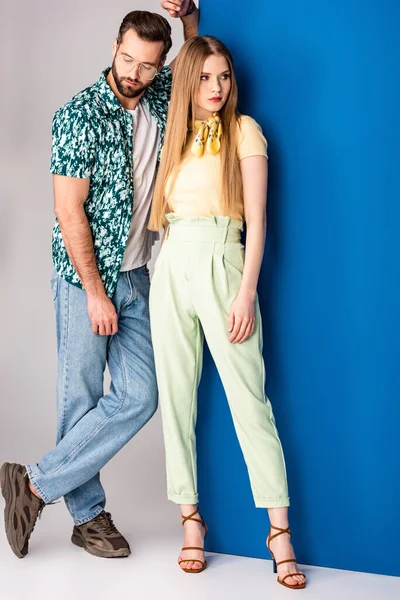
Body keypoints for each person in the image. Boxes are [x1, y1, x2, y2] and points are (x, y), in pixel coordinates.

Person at [0, 2, 199, 560]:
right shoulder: (78, 114)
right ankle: (88, 518)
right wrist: (93, 292)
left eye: (147, 65)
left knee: (142, 394)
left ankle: (34, 482)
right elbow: (69, 211)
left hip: (137, 274)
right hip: (84, 278)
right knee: (81, 398)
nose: (133, 73)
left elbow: (194, 65)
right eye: (127, 58)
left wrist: (188, 19)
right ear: (114, 46)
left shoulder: (158, 97)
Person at [148, 35, 307, 589]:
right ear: (189, 81)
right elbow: (182, 57)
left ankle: (279, 533)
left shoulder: (245, 131)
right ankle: (190, 522)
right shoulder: (177, 137)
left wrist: (245, 294)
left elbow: (258, 223)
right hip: (171, 269)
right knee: (176, 400)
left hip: (224, 260)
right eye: (205, 77)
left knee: (249, 401)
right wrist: (188, 22)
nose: (216, 87)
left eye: (224, 77)